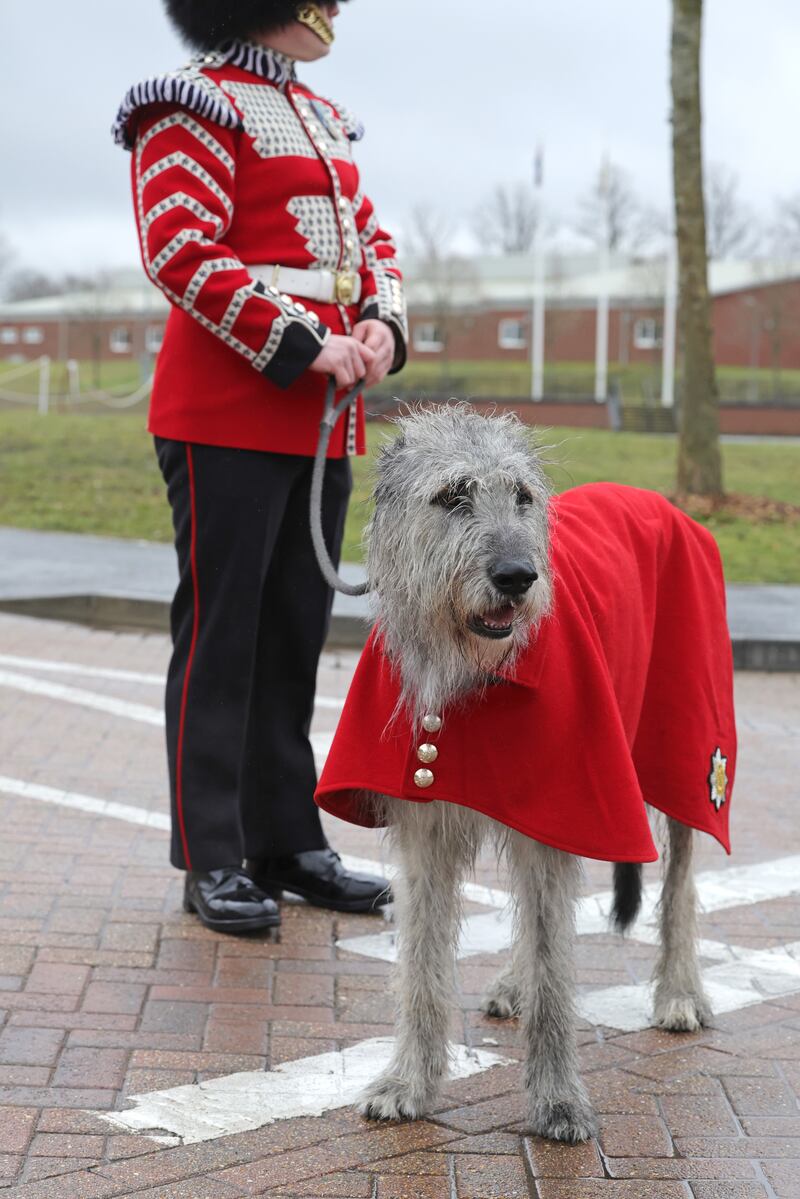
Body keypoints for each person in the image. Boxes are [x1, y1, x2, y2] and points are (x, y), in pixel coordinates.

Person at [112, 0, 406, 933]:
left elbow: (370, 244)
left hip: (318, 412)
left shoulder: (323, 116)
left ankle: (284, 838)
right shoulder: (190, 104)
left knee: (291, 634)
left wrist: (379, 324)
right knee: (223, 636)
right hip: (228, 410)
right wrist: (302, 340)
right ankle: (213, 852)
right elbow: (181, 250)